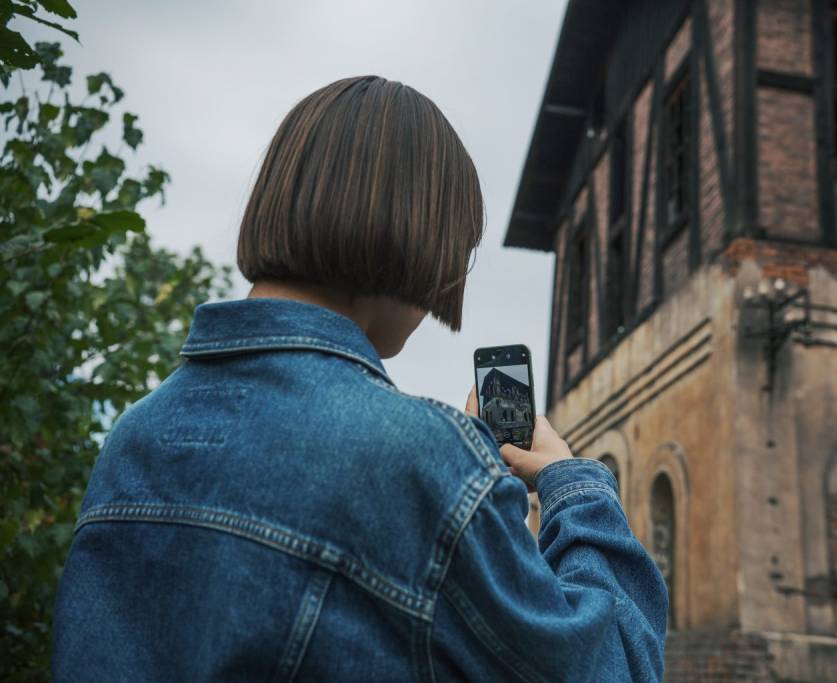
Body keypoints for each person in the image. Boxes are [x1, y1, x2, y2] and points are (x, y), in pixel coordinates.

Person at [52, 75, 668, 682]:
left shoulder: (136, 435)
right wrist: (573, 485)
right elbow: (614, 666)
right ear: (422, 235)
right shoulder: (428, 460)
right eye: (460, 252)